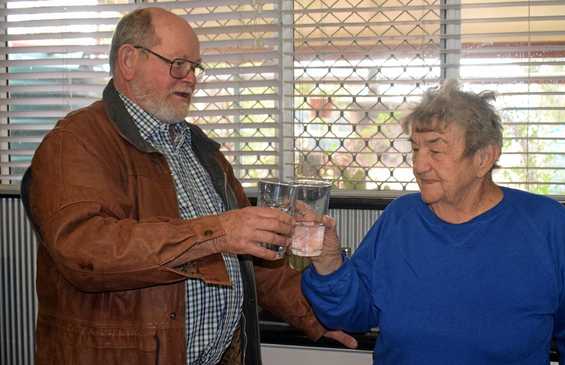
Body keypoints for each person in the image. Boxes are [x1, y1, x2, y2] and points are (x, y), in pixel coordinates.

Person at [22, 7, 355, 365]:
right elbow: (85, 250)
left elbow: (250, 260)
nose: (191, 79)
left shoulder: (197, 147)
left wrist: (316, 314)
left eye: (195, 67)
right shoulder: (75, 142)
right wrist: (217, 233)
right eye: (178, 64)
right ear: (129, 60)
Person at [301, 80, 565, 364]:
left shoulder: (545, 223)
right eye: (415, 148)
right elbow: (352, 315)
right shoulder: (400, 219)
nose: (419, 165)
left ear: (483, 158)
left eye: (436, 150)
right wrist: (329, 262)